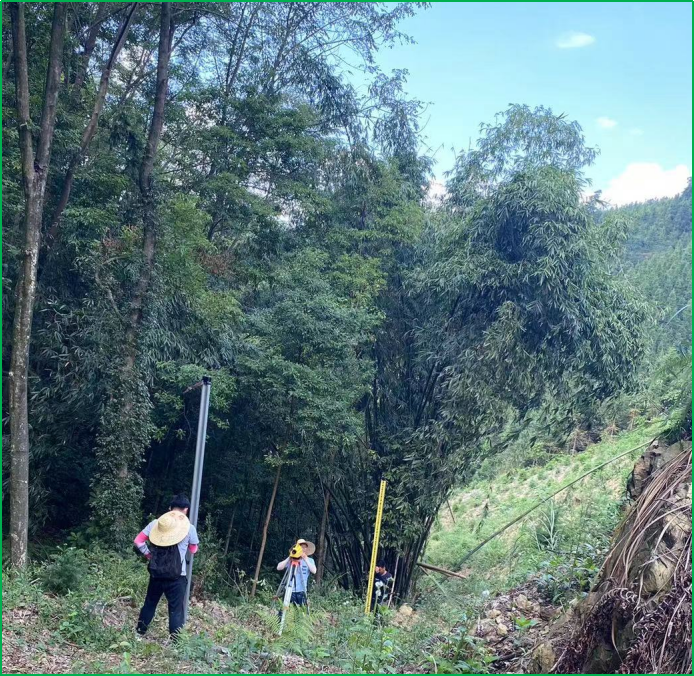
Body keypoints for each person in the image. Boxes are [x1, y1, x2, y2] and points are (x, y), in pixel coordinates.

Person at [133, 494, 199, 639]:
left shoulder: (155, 524)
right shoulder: (190, 528)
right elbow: (194, 549)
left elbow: (138, 541)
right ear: (186, 510)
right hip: (177, 576)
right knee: (176, 609)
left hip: (156, 573)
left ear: (170, 509)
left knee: (150, 603)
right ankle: (176, 642)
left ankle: (139, 633)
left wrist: (149, 555)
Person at [276, 538, 316, 607]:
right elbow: (279, 567)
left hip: (301, 591)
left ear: (306, 549)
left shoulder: (310, 560)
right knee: (284, 611)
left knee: (300, 613)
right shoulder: (291, 559)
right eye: (300, 546)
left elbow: (314, 571)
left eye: (304, 547)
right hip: (289, 591)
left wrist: (305, 559)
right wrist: (290, 557)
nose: (302, 548)